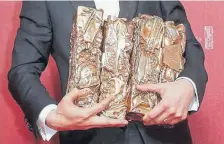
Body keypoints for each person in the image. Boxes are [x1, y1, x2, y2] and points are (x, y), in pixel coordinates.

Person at [8, 1, 208, 144]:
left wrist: (187, 84)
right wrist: (50, 115)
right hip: (88, 137)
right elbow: (22, 69)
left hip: (162, 135)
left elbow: (188, 44)